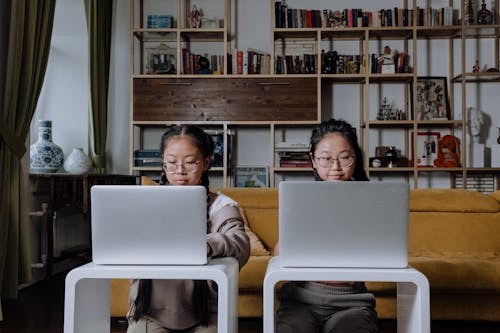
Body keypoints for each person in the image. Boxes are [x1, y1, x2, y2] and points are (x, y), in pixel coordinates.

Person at [126, 125, 250, 333]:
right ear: (163, 163)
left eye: (191, 163)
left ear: (207, 163)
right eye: (172, 163)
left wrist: (204, 244)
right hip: (151, 312)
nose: (180, 171)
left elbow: (239, 242)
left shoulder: (220, 205)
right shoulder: (145, 203)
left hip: (205, 315)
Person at [274, 119, 378, 333]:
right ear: (313, 160)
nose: (336, 168)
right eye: (326, 159)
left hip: (352, 302)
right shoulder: (300, 200)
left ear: (355, 159)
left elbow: (384, 252)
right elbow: (278, 254)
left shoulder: (371, 201)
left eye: (345, 158)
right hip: (301, 300)